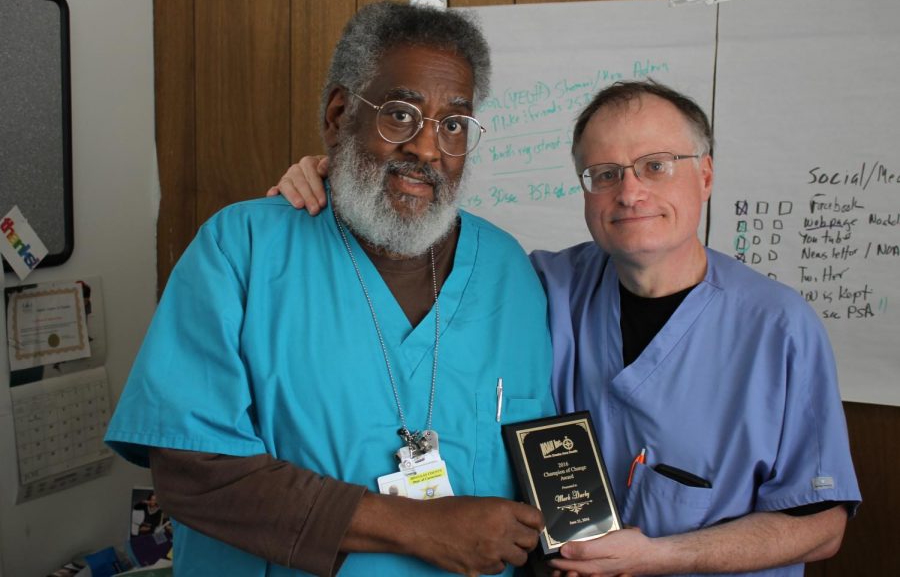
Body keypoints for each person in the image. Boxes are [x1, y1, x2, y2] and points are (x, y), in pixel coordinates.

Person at [272, 79, 861, 576]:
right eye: (603, 174)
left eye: (656, 166)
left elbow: (821, 526)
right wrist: (344, 176)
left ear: (704, 175)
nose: (629, 192)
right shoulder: (544, 286)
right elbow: (419, 242)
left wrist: (659, 557)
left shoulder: (779, 327)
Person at [105, 0, 556, 576]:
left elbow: (537, 462)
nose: (426, 148)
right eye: (400, 114)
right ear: (341, 114)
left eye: (453, 125)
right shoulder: (241, 247)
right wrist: (419, 527)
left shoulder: (506, 270)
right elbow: (192, 469)